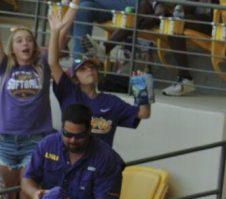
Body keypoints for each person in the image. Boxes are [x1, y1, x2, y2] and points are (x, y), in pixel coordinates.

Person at [0, 0, 54, 199]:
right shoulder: (5, 66)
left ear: (34, 46)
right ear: (12, 47)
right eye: (19, 40)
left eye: (28, 40)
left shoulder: (42, 66)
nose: (25, 43)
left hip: (33, 143)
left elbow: (57, 45)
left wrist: (57, 28)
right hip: (6, 143)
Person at [48, 5, 150, 149]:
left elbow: (143, 113)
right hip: (69, 157)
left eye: (92, 67)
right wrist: (55, 32)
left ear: (98, 73)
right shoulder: (69, 92)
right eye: (82, 69)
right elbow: (52, 62)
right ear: (75, 76)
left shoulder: (111, 102)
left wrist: (142, 93)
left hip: (100, 164)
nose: (89, 70)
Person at [22, 103, 123, 199]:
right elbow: (27, 179)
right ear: (62, 128)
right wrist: (35, 193)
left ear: (90, 130)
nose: (73, 140)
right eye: (68, 134)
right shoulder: (47, 145)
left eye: (79, 136)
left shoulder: (107, 158)